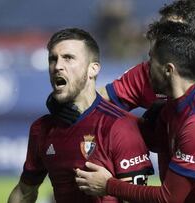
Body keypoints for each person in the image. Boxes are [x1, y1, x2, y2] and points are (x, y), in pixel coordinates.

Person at [75, 21, 195, 203]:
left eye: (151, 60)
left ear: (168, 69)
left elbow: (168, 198)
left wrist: (108, 185)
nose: (146, 69)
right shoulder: (187, 98)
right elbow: (151, 138)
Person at [48, 0, 195, 134]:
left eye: (172, 31)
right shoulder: (149, 71)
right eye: (162, 30)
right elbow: (95, 102)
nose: (161, 38)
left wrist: (166, 116)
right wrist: (66, 101)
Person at [8, 28, 154, 203]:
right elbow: (24, 191)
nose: (57, 66)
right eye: (52, 59)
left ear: (93, 69)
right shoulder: (41, 129)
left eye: (68, 58)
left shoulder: (121, 127)